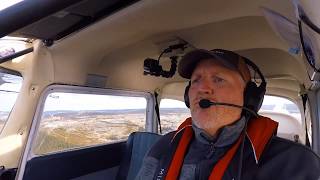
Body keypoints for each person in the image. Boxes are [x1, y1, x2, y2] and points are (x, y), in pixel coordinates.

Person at [135, 49, 320, 180]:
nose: (202, 89)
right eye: (196, 80)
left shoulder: (293, 162)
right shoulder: (163, 147)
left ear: (249, 97)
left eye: (218, 79)